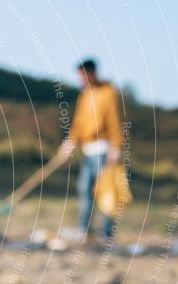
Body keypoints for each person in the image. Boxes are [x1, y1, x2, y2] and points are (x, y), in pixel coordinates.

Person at [59, 58, 123, 242]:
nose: (82, 80)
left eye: (84, 76)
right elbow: (79, 123)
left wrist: (116, 146)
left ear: (93, 73)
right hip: (87, 151)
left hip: (104, 150)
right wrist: (70, 142)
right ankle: (83, 230)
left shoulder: (109, 93)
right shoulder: (84, 95)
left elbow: (114, 121)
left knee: (106, 192)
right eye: (80, 77)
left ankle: (106, 233)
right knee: (84, 190)